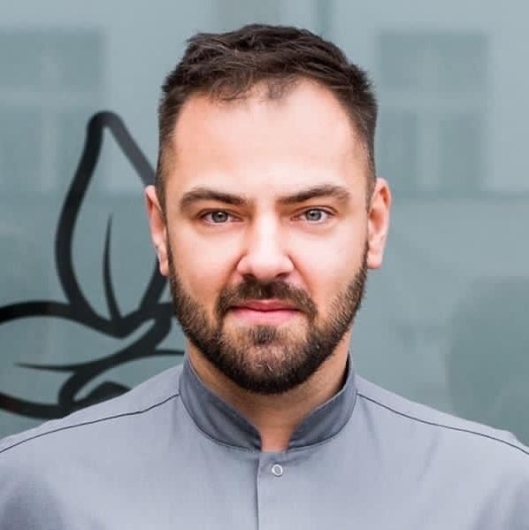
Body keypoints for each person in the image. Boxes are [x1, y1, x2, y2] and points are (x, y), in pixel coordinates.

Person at [0, 24, 528, 529]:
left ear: (374, 225)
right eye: (219, 215)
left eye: (313, 213)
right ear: (160, 230)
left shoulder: (499, 498)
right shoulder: (29, 496)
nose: (265, 259)